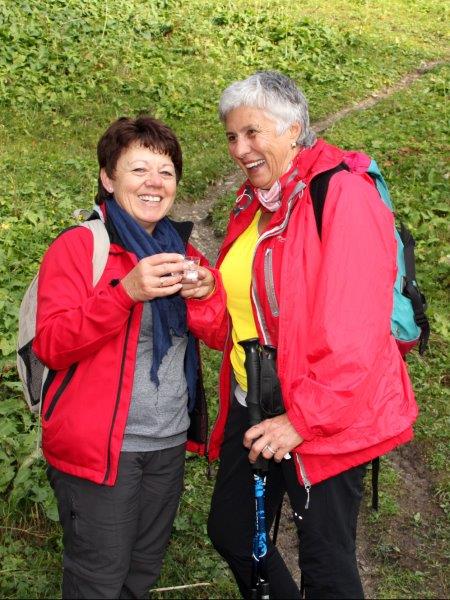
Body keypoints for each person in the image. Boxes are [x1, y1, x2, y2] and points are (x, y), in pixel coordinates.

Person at [186, 71, 418, 599]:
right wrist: (206, 295)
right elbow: (242, 322)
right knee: (234, 531)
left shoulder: (341, 193)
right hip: (256, 399)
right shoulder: (256, 200)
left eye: (252, 132)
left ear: (293, 128)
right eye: (231, 136)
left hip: (324, 413)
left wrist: (302, 421)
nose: (239, 149)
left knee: (326, 564)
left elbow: (356, 334)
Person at [32, 115, 216, 599]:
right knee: (98, 578)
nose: (155, 182)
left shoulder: (182, 251)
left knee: (142, 571)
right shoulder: (80, 248)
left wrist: (206, 294)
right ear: (108, 179)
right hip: (101, 450)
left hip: (167, 443)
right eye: (139, 170)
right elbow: (51, 344)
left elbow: (219, 334)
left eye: (166, 171)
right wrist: (124, 294)